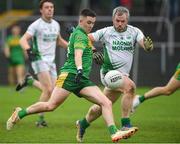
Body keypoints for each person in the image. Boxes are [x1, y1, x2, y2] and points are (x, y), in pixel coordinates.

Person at [6, 8, 136, 143]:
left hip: (82, 79)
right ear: (81, 21)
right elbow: (78, 53)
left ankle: (114, 133)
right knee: (50, 106)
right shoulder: (80, 35)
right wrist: (79, 69)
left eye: (93, 23)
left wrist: (93, 52)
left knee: (106, 102)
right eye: (88, 22)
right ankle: (20, 113)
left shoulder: (81, 34)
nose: (91, 25)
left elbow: (81, 45)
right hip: (70, 75)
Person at [76, 6, 153, 142]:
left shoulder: (134, 32)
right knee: (130, 87)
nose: (120, 24)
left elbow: (144, 43)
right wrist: (94, 51)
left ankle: (83, 123)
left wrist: (148, 46)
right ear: (113, 19)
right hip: (108, 74)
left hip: (122, 75)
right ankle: (125, 124)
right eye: (117, 20)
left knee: (101, 107)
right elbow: (84, 38)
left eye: (123, 21)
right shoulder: (106, 32)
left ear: (127, 20)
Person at [17, 0, 68, 127]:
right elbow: (22, 39)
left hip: (51, 61)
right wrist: (28, 50)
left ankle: (30, 81)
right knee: (48, 89)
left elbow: (59, 41)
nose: (50, 9)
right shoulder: (36, 25)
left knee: (52, 91)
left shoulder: (56, 24)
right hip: (39, 59)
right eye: (47, 7)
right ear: (41, 10)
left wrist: (72, 47)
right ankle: (40, 120)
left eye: (51, 7)